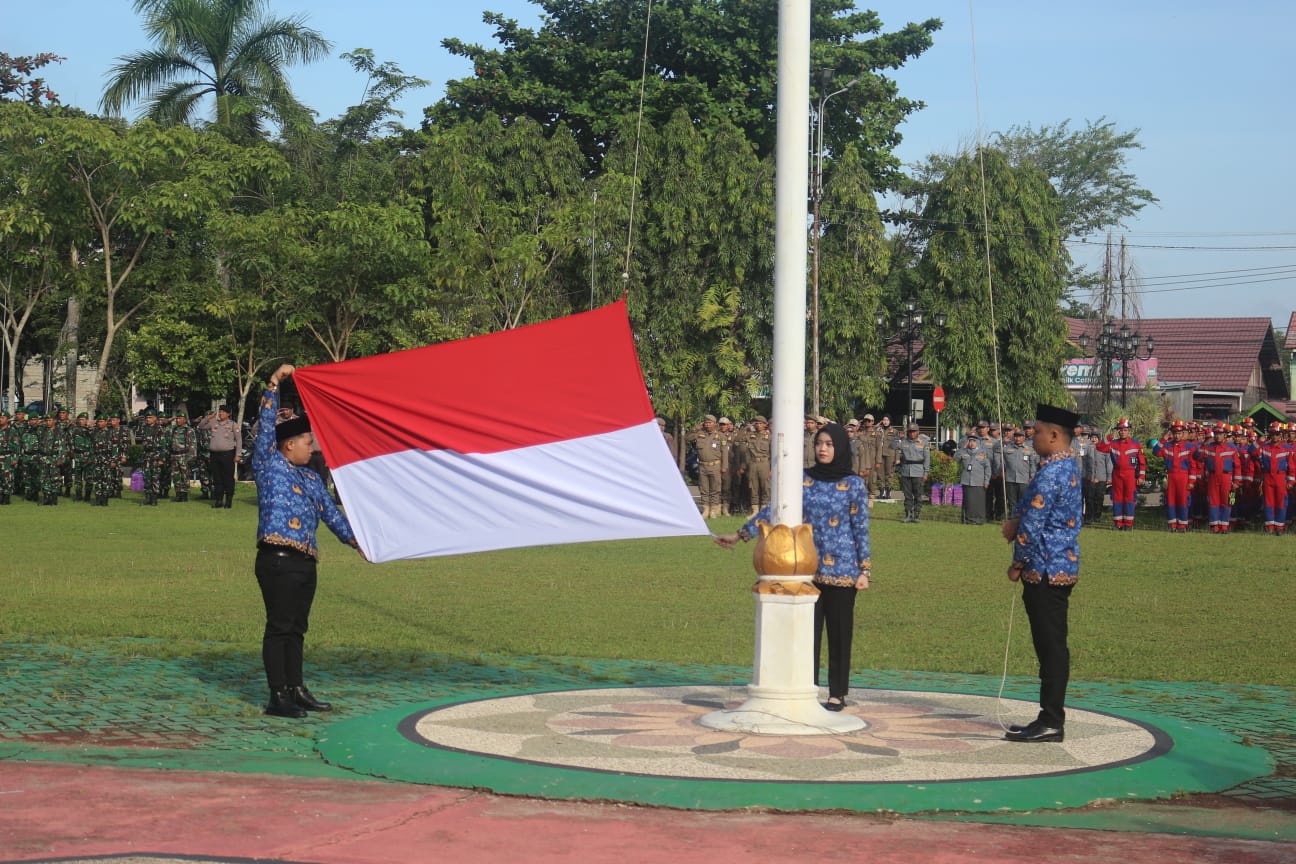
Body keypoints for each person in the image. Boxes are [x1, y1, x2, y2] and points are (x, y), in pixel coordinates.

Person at [714, 422, 870, 712]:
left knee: (839, 633)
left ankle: (837, 692)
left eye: (829, 444)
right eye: (819, 444)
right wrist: (740, 534)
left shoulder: (853, 484)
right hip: (804, 568)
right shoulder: (802, 480)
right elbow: (772, 511)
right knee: (805, 634)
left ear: (840, 448)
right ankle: (805, 687)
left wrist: (865, 570)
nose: (823, 449)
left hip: (843, 571)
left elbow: (860, 527)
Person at [254, 364, 365, 718]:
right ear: (288, 445)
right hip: (277, 558)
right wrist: (274, 385)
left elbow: (333, 517)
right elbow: (265, 430)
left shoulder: (313, 480)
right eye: (307, 441)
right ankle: (278, 695)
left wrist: (358, 541)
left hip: (304, 562)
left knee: (297, 628)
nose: (312, 447)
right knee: (280, 626)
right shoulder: (270, 464)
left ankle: (296, 688)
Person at [1001, 404, 1082, 744]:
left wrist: (1017, 562)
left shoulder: (1052, 473)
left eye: (1036, 432)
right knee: (1050, 645)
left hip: (1045, 569)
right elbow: (1030, 508)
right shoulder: (1062, 468)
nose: (1032, 438)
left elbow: (1033, 524)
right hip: (1057, 566)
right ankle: (1047, 716)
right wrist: (1015, 519)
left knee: (1050, 647)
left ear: (1053, 435)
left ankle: (1051, 720)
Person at [200, 405, 242, 509]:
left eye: (223, 412)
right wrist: (208, 418)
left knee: (227, 478)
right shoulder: (214, 423)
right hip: (214, 455)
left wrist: (238, 454)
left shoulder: (233, 425)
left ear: (228, 414)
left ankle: (228, 500)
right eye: (220, 412)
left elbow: (239, 440)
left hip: (227, 454)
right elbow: (200, 426)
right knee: (217, 478)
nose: (221, 413)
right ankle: (218, 500)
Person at [891, 422, 930, 522]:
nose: (912, 433)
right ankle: (908, 514)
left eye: (914, 431)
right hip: (906, 471)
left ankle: (917, 515)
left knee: (918, 495)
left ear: (918, 432)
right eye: (910, 431)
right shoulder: (903, 442)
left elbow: (927, 459)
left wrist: (925, 473)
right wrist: (899, 436)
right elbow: (891, 445)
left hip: (918, 471)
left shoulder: (923, 443)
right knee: (907, 495)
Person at [956, 434, 991, 524]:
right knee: (968, 501)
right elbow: (955, 459)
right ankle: (967, 519)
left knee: (978, 502)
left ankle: (979, 519)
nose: (972, 443)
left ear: (978, 443)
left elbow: (988, 468)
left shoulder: (983, 453)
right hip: (967, 480)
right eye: (970, 441)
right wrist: (961, 448)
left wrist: (986, 481)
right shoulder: (963, 452)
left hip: (979, 481)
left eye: (974, 441)